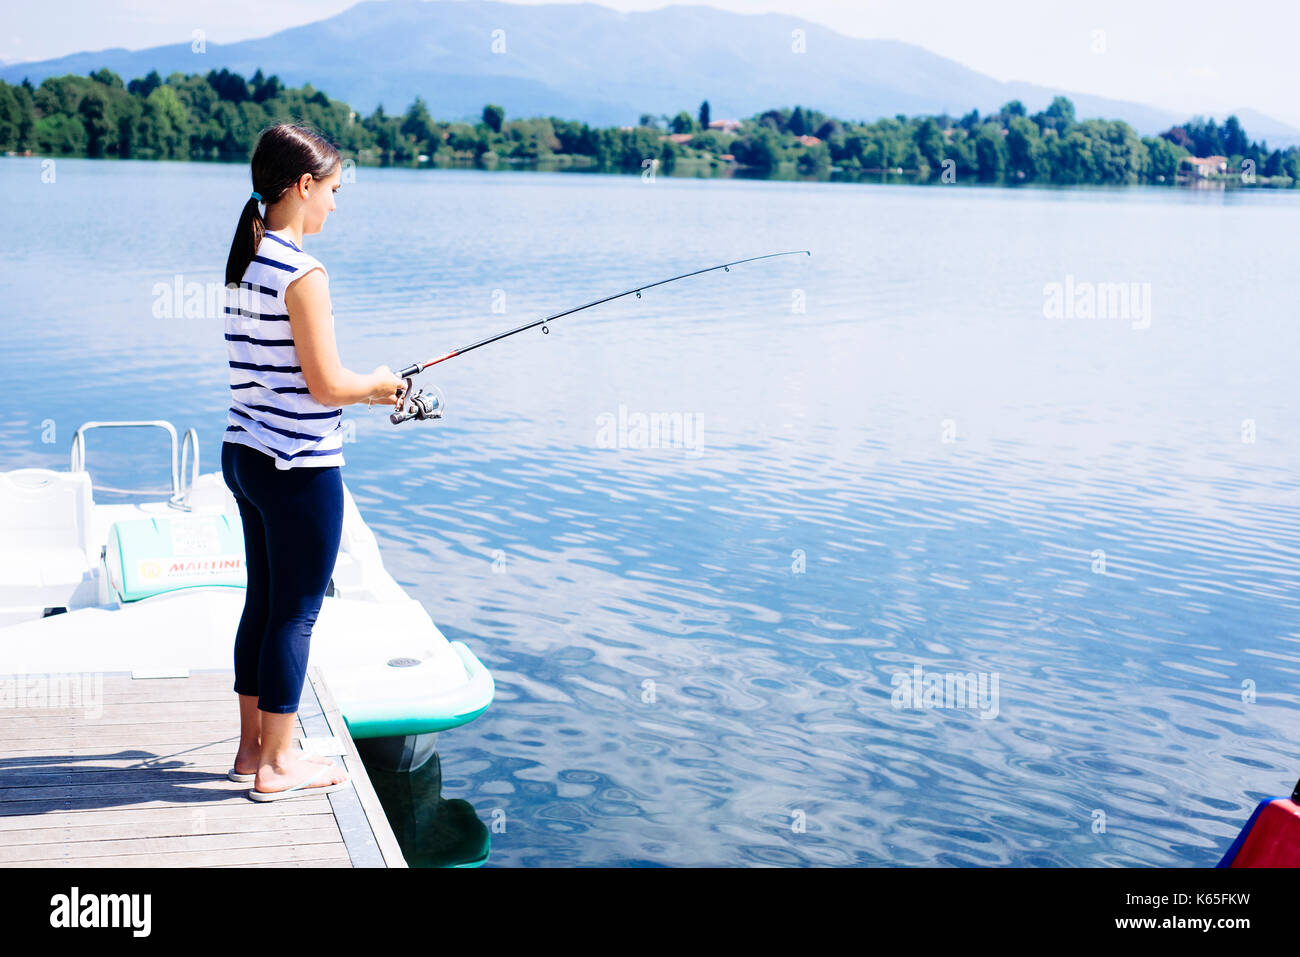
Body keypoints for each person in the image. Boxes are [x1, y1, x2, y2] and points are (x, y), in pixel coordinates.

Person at [221, 123, 404, 801]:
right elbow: (327, 385)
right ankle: (276, 766)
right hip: (298, 467)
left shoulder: (247, 257)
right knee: (295, 613)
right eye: (331, 190)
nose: (335, 203)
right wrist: (381, 386)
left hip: (244, 454)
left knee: (263, 604)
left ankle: (251, 750)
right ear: (303, 187)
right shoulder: (303, 272)